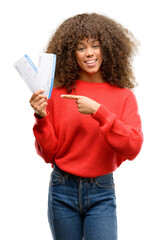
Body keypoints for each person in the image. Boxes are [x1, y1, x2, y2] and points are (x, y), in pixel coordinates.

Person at [29, 13, 143, 240]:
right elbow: (48, 153)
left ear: (108, 49)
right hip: (62, 188)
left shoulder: (124, 96)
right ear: (71, 53)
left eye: (95, 45)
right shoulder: (57, 94)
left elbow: (133, 148)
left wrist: (99, 112)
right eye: (81, 47)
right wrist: (41, 117)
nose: (89, 52)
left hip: (102, 191)